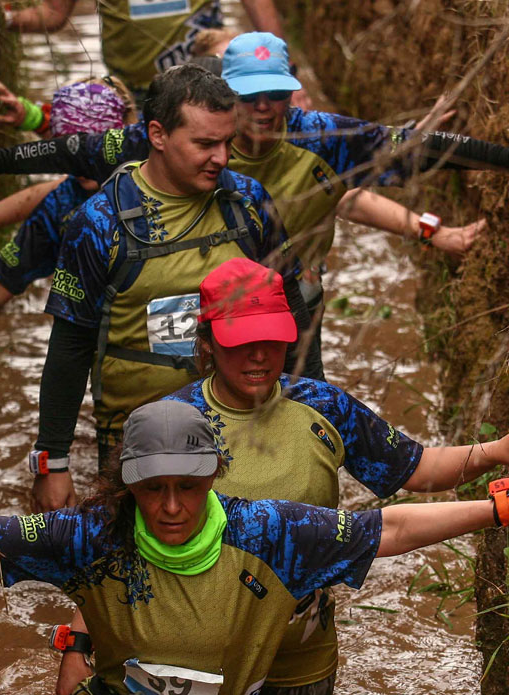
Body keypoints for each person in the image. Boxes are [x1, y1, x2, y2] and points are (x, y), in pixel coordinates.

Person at [49, 257, 509, 695]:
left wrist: (497, 450)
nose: (258, 356)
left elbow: (415, 467)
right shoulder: (170, 425)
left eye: (271, 341)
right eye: (241, 342)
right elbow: (113, 544)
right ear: (205, 343)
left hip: (303, 656)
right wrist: (77, 644)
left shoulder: (323, 407)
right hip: (192, 657)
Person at [0, 399, 509, 695]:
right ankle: (77, 651)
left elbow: (388, 530)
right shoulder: (92, 537)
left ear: (213, 477)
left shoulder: (271, 533)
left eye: (187, 488)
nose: (171, 507)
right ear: (126, 488)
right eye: (152, 491)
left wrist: (502, 504)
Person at [0, 32, 509, 372]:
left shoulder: (325, 139)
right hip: (188, 302)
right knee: (174, 411)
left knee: (297, 417)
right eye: (248, 98)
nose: (262, 111)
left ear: (292, 96)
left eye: (274, 97)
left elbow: (418, 148)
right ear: (220, 96)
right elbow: (71, 157)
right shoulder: (174, 141)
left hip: (289, 298)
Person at [29, 64, 310, 513]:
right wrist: (52, 463)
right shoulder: (100, 223)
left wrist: (313, 413)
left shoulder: (248, 203)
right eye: (204, 144)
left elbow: (292, 311)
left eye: (227, 141)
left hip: (242, 431)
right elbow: (70, 346)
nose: (222, 157)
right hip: (138, 446)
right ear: (157, 135)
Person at [0, 77, 135, 345]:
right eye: (70, 153)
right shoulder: (64, 205)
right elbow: (5, 273)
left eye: (88, 152)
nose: (79, 166)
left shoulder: (159, 173)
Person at [0, 0, 293, 103]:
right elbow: (53, 13)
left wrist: (283, 71)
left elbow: (256, 4)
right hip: (134, 92)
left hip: (208, 83)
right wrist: (1, 17)